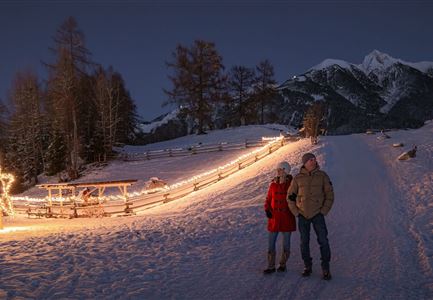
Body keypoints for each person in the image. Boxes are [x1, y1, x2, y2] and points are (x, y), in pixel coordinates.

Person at [287, 153, 334, 280]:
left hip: (318, 214)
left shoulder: (322, 176)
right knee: (304, 242)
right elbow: (290, 197)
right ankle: (307, 266)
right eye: (310, 160)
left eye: (314, 159)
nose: (313, 161)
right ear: (305, 163)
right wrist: (296, 212)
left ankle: (325, 267)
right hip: (302, 215)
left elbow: (330, 195)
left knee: (323, 241)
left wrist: (323, 211)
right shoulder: (297, 178)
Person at [263, 161, 296, 274]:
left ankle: (283, 264)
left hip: (287, 217)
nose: (278, 172)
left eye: (280, 170)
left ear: (285, 171)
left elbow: (297, 198)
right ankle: (271, 265)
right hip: (274, 218)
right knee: (271, 243)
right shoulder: (273, 184)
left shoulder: (292, 184)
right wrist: (267, 209)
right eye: (277, 170)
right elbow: (268, 199)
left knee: (286, 243)